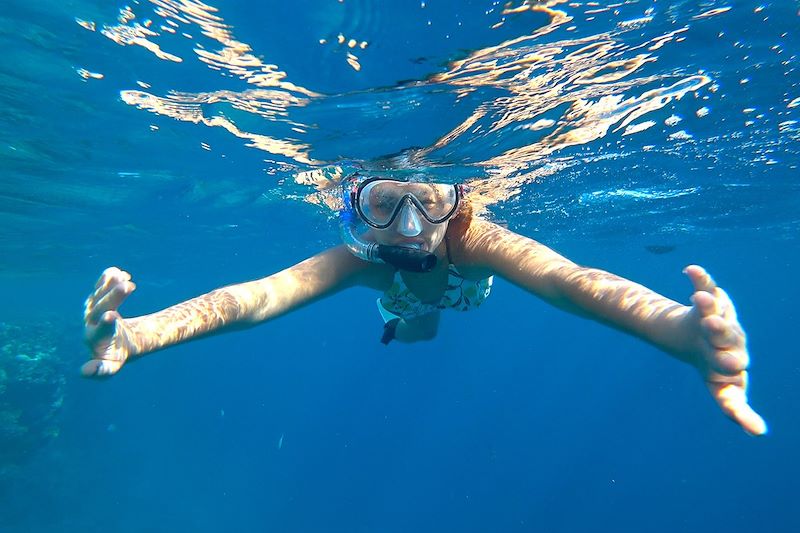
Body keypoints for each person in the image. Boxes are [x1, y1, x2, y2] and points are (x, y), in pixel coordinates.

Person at [82, 174, 768, 436]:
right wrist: (140, 333)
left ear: (458, 200)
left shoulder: (476, 240)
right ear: (357, 205)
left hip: (468, 291)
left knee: (426, 316)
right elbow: (260, 296)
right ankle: (405, 321)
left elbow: (572, 280)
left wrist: (679, 331)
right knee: (413, 326)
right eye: (385, 202)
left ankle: (411, 317)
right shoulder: (361, 258)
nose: (411, 227)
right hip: (405, 301)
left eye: (431, 199)